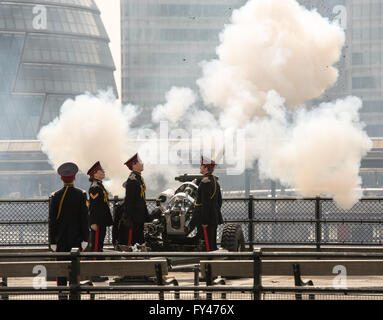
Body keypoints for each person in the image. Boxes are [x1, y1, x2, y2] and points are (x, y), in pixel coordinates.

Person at [48, 162, 89, 297]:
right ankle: (75, 294)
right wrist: (85, 238)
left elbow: (52, 221)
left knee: (61, 268)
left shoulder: (55, 196)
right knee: (75, 267)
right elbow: (84, 219)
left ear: (61, 178)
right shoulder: (81, 194)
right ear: (75, 177)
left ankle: (61, 294)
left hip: (60, 239)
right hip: (76, 239)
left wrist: (52, 241)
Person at [87, 161, 113, 282]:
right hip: (97, 222)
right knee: (96, 247)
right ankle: (94, 274)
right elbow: (93, 206)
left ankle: (98, 272)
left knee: (99, 247)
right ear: (95, 174)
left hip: (101, 221)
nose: (103, 172)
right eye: (101, 171)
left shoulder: (99, 185)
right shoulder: (95, 187)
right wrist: (93, 222)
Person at [192, 155, 223, 251]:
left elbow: (205, 203)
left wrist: (204, 221)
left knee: (206, 244)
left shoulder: (205, 182)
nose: (200, 168)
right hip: (213, 216)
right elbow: (219, 201)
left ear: (206, 168)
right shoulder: (214, 181)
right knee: (212, 241)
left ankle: (208, 262)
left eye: (201, 166)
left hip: (205, 219)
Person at [122, 153, 150, 246]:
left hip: (139, 215)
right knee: (133, 241)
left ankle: (139, 257)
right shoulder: (132, 180)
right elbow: (129, 200)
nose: (142, 164)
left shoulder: (138, 178)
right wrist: (128, 217)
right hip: (134, 217)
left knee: (139, 239)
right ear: (134, 166)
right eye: (140, 162)